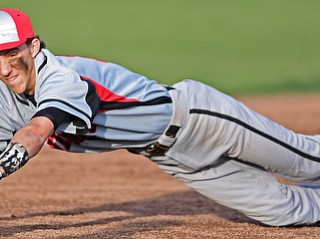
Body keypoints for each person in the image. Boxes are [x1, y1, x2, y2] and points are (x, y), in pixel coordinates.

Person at [0, 8, 319, 227]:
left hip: (200, 119)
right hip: (172, 156)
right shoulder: (5, 100)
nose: (5, 68)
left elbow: (38, 129)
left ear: (34, 46)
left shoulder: (59, 77)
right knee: (281, 211)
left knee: (308, 163)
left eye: (12, 53)